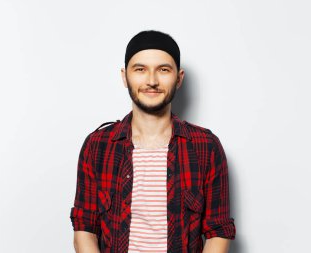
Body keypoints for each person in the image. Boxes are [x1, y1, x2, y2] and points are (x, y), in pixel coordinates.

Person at [69, 30, 236, 253]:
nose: (152, 81)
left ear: (179, 78)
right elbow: (85, 231)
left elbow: (218, 232)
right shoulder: (97, 145)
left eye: (163, 70)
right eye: (140, 69)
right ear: (124, 76)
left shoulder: (206, 146)